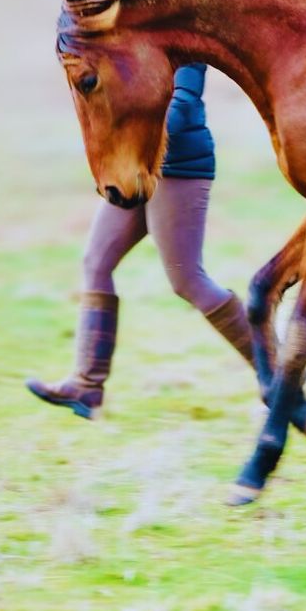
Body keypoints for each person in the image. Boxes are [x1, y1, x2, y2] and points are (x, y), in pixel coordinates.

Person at [26, 64, 257, 420]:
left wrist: (130, 132)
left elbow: (183, 104)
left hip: (177, 165)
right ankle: (86, 386)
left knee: (188, 280)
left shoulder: (182, 38)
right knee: (96, 262)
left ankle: (279, 373)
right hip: (134, 164)